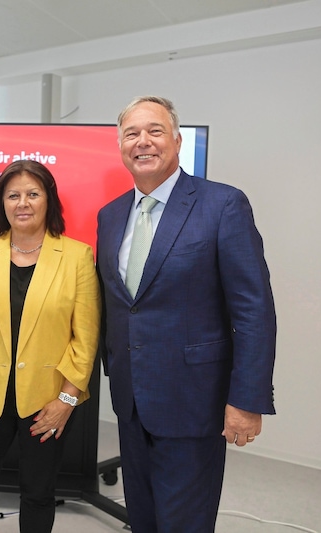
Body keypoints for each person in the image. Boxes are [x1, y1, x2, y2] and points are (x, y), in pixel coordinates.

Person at [96, 96, 277, 532]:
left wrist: (247, 399)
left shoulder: (222, 205)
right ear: (120, 145)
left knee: (184, 524)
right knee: (143, 517)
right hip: (131, 398)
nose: (143, 142)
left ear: (177, 141)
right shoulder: (110, 215)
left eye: (155, 131)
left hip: (196, 400)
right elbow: (119, 304)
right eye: (132, 133)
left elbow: (254, 309)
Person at [0, 159, 101, 532]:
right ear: (2, 202)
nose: (23, 203)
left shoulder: (77, 257)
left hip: (46, 402)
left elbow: (85, 338)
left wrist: (65, 401)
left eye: (33, 193)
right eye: (13, 195)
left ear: (49, 200)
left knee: (38, 492)